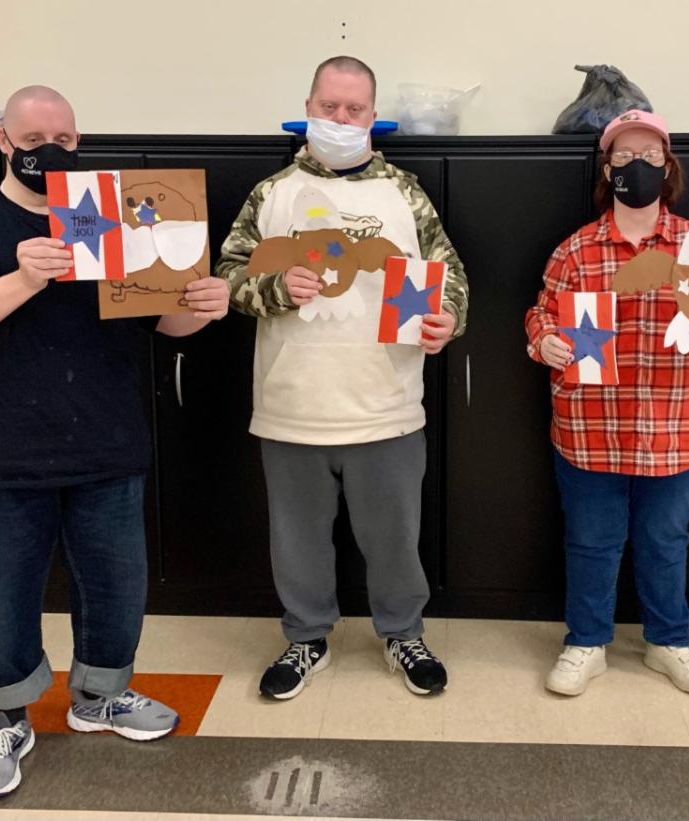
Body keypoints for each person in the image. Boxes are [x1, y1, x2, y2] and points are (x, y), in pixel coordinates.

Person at [0, 85, 231, 802]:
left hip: (105, 443)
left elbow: (165, 319)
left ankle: (100, 697)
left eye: (65, 139)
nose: (50, 150)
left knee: (116, 586)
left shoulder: (116, 218)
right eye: (31, 138)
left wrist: (203, 306)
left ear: (79, 142)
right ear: (3, 143)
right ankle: (6, 717)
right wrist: (24, 277)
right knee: (2, 601)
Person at [216, 56, 469, 700]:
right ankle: (306, 638)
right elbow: (228, 278)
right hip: (292, 406)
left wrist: (447, 318)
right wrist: (276, 287)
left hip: (386, 404)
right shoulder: (272, 193)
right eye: (329, 106)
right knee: (296, 541)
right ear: (308, 107)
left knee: (394, 539)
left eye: (354, 109)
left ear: (372, 116)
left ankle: (402, 633)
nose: (340, 118)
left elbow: (450, 275)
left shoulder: (404, 192)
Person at [524, 110, 689, 696]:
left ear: (668, 166)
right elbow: (542, 312)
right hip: (590, 427)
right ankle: (586, 641)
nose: (637, 165)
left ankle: (668, 641)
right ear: (607, 170)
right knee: (590, 543)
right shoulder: (576, 250)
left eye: (650, 155)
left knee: (665, 543)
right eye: (624, 155)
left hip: (672, 427)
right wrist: (544, 340)